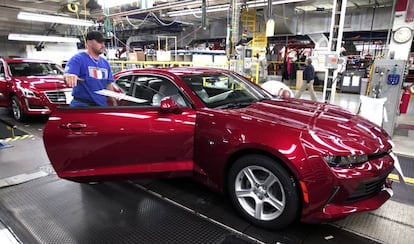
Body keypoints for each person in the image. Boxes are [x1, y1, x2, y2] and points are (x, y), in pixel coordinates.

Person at [64, 31, 117, 107]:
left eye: (103, 43)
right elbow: (68, 75)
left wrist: (113, 101)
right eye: (99, 42)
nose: (103, 45)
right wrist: (68, 76)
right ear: (89, 43)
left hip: (101, 106)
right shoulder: (78, 59)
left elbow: (108, 84)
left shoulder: (105, 63)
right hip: (82, 107)